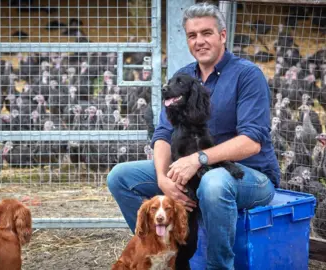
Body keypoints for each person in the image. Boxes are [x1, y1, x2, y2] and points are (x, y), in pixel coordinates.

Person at [107, 2, 280, 269]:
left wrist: (198, 159)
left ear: (222, 35)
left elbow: (252, 141)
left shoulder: (247, 76)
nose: (199, 41)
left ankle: (218, 266)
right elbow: (163, 133)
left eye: (206, 33)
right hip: (190, 169)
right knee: (121, 177)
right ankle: (162, 254)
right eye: (192, 35)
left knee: (213, 182)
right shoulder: (183, 77)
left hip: (246, 174)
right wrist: (164, 180)